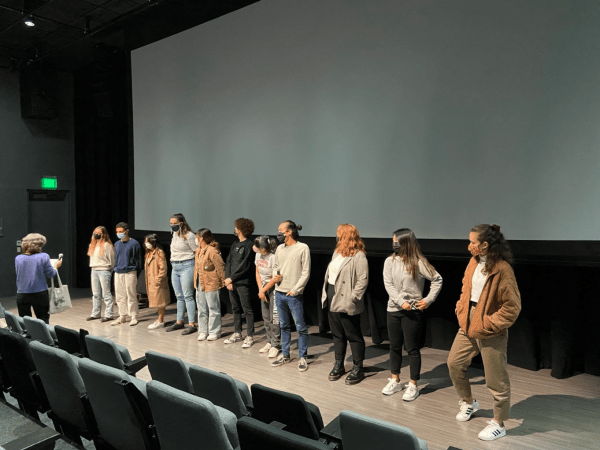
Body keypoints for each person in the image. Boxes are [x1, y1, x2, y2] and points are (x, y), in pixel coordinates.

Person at [447, 224, 521, 441]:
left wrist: (488, 324)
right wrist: (461, 310)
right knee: (454, 364)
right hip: (468, 322)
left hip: (489, 328)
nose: (469, 246)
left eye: (473, 242)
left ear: (485, 245)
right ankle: (469, 402)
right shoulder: (473, 262)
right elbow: (465, 289)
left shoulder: (503, 269)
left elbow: (512, 307)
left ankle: (499, 423)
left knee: (495, 380)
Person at [381, 228, 443, 401]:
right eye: (393, 241)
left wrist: (428, 300)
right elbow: (388, 284)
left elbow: (437, 279)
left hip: (413, 312)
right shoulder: (389, 261)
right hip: (393, 310)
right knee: (394, 346)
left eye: (396, 241)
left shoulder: (418, 262)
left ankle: (413, 384)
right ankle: (395, 380)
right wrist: (401, 302)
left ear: (405, 243)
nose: (393, 244)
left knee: (412, 349)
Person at [321, 224, 369, 385]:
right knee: (337, 334)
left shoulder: (359, 256)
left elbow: (363, 279)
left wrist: (353, 297)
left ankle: (358, 367)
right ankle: (339, 364)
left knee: (353, 335)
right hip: (333, 296)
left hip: (347, 300)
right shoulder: (337, 252)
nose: (336, 237)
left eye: (338, 234)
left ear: (346, 236)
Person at [271, 220, 311, 372]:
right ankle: (285, 355)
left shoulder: (302, 248)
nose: (278, 233)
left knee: (300, 327)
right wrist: (275, 276)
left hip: (293, 294)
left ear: (289, 232)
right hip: (279, 293)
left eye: (281, 230)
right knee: (284, 326)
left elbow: (306, 272)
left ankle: (303, 357)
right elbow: (276, 267)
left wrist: (295, 290)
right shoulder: (280, 248)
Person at [15, 233, 62, 324]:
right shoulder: (44, 256)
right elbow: (51, 274)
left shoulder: (18, 258)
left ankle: (28, 338)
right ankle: (42, 338)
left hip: (22, 293)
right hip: (39, 293)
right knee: (43, 319)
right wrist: (56, 266)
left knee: (25, 320)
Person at [223, 218, 256, 347]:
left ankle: (250, 335)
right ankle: (237, 333)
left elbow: (245, 266)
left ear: (241, 229)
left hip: (243, 282)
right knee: (235, 308)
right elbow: (229, 262)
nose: (235, 229)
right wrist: (228, 279)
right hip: (231, 283)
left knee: (246, 309)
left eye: (236, 227)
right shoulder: (235, 244)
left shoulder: (249, 245)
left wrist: (232, 278)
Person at [167, 213, 198, 335]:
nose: (172, 225)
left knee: (188, 296)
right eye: (171, 223)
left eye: (175, 223)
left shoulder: (189, 235)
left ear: (181, 223)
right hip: (175, 266)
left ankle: (191, 324)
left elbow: (196, 250)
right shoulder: (174, 234)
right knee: (179, 296)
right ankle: (179, 321)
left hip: (187, 265)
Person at [194, 228, 226, 341]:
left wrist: (224, 281)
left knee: (213, 308)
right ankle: (203, 331)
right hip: (200, 284)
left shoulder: (212, 250)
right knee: (201, 309)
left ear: (201, 238)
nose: (195, 239)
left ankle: (214, 331)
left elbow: (220, 266)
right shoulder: (198, 250)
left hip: (211, 283)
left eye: (197, 237)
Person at [254, 235, 281, 358]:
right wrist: (260, 289)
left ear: (264, 248)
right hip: (263, 288)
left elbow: (275, 278)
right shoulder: (258, 255)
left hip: (273, 288)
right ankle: (269, 342)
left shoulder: (274, 257)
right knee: (265, 317)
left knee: (273, 317)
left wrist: (264, 290)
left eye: (258, 247)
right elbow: (257, 272)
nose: (256, 249)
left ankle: (276, 345)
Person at [111, 222, 142, 326]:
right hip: (118, 271)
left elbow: (138, 260)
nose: (119, 233)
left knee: (131, 294)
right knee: (119, 295)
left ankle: (133, 316)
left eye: (121, 231)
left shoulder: (134, 243)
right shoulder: (117, 244)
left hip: (130, 271)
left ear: (126, 231)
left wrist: (135, 270)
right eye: (117, 232)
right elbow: (115, 258)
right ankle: (122, 316)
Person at [87, 226, 116, 322]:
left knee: (106, 294)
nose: (96, 234)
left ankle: (109, 314)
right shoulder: (92, 245)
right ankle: (95, 313)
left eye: (99, 233)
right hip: (94, 270)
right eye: (95, 232)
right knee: (95, 294)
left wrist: (109, 271)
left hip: (104, 270)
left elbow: (112, 261)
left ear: (103, 234)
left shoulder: (107, 245)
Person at [144, 234, 170, 330]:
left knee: (161, 302)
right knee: (157, 302)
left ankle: (160, 320)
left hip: (158, 281)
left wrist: (158, 280)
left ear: (153, 242)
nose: (145, 244)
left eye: (147, 242)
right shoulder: (148, 253)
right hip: (150, 281)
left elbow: (163, 268)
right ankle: (159, 319)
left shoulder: (159, 253)